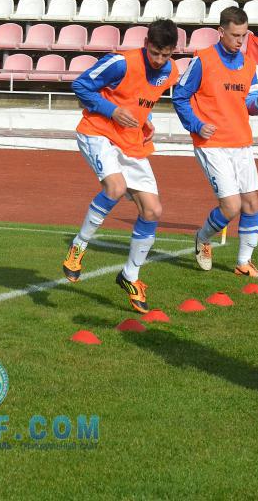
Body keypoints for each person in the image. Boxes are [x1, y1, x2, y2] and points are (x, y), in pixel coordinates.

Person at [63, 19, 181, 314]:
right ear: (146, 43)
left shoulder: (171, 72)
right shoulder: (120, 63)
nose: (159, 60)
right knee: (115, 188)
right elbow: (80, 85)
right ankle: (78, 246)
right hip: (98, 132)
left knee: (153, 211)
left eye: (165, 54)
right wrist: (112, 110)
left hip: (131, 141)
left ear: (173, 52)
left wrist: (146, 121)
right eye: (154, 53)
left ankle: (130, 275)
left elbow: (142, 99)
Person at [171, 7, 258, 280]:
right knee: (231, 207)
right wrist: (196, 125)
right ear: (221, 32)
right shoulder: (202, 60)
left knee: (251, 204)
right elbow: (179, 96)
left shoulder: (249, 65)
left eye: (244, 35)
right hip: (212, 143)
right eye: (235, 35)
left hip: (241, 142)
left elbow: (250, 106)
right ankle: (203, 237)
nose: (240, 41)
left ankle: (244, 263)